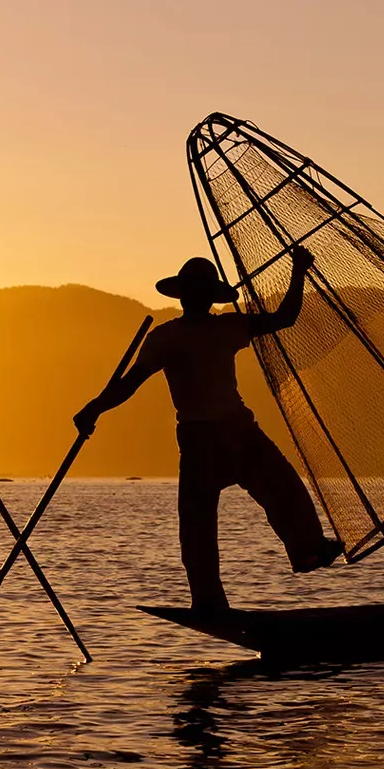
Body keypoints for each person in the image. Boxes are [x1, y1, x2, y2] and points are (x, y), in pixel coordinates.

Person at [74, 249, 341, 612]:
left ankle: (308, 550)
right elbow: (128, 384)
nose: (196, 298)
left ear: (206, 297)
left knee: (284, 488)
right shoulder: (167, 338)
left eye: (201, 292)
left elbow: (285, 318)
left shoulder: (228, 326)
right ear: (184, 296)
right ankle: (209, 601)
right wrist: (93, 409)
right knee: (197, 525)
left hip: (238, 431)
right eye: (193, 292)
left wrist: (298, 272)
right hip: (202, 440)